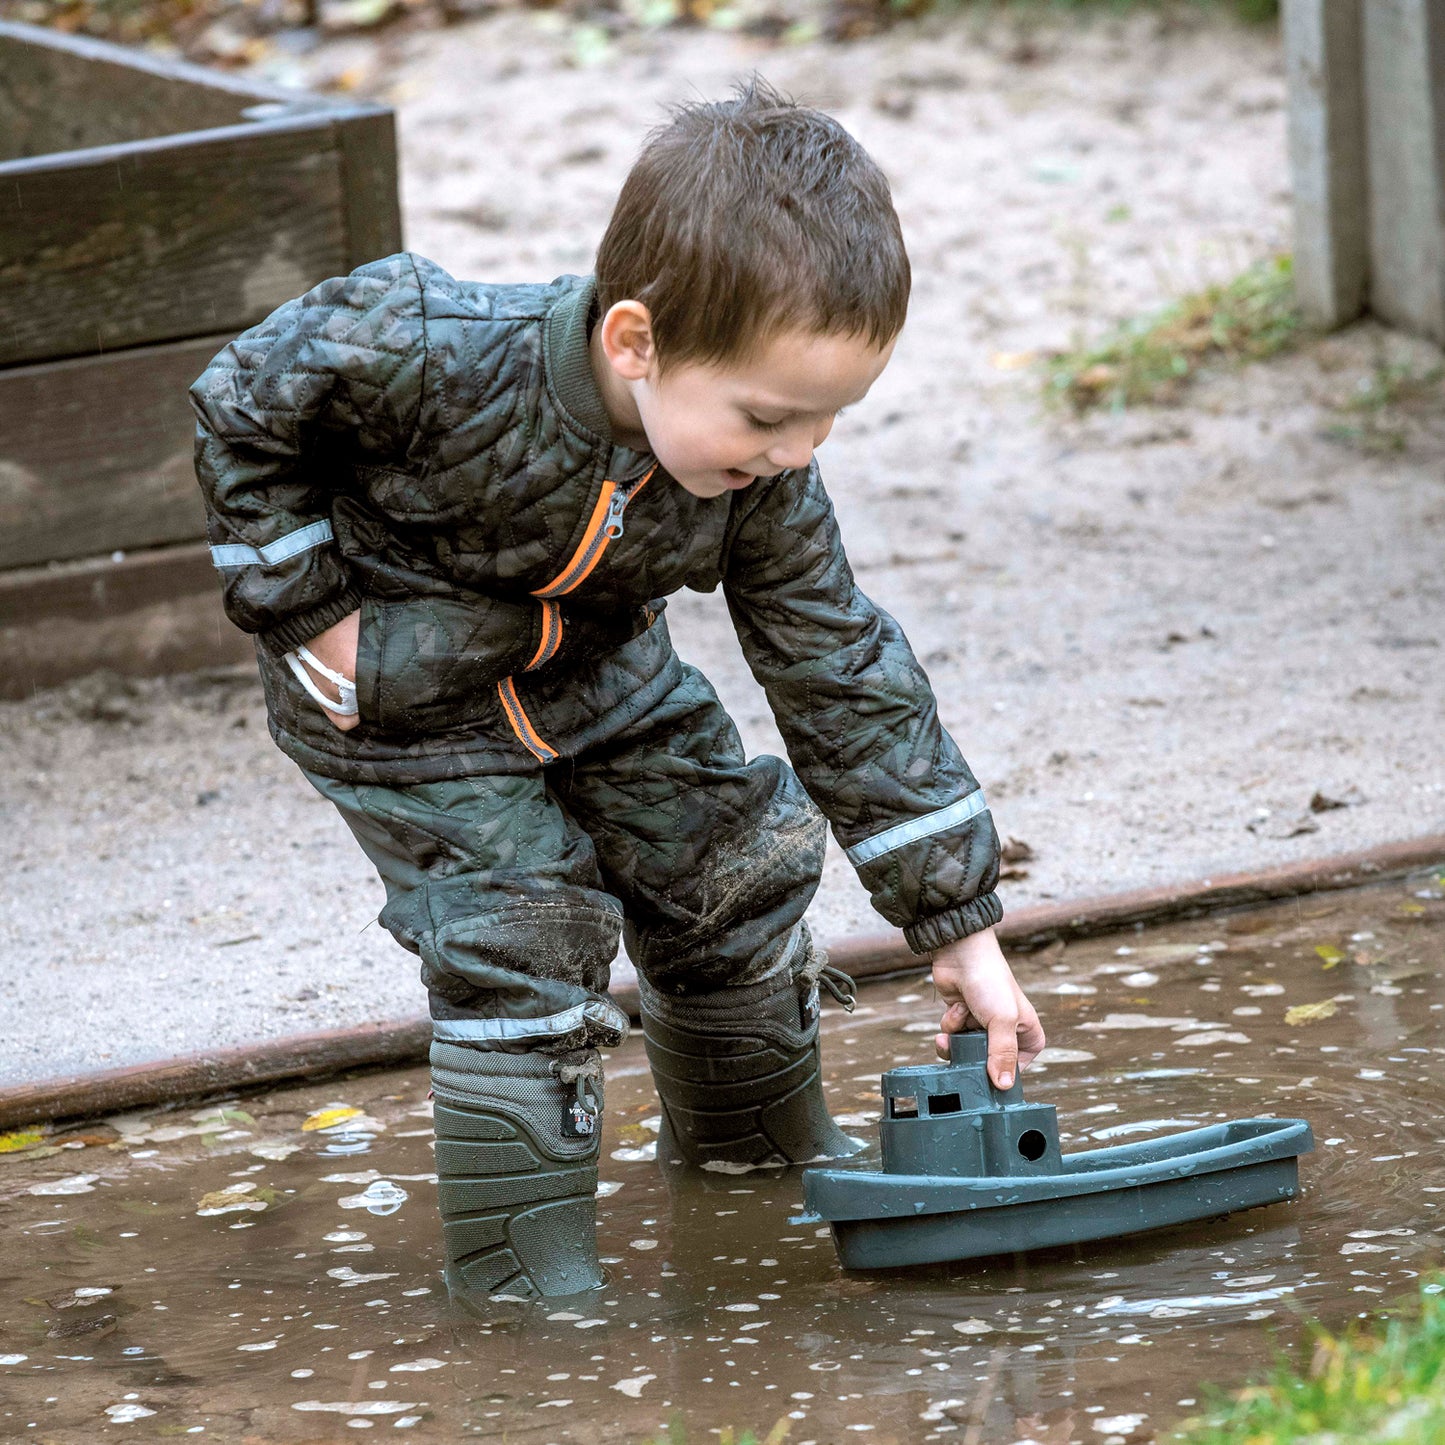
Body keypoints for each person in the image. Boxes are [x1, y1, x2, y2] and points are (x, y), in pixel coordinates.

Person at [189, 77, 1045, 1305]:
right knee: (520, 924)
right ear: (635, 341)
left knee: (727, 859)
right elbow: (240, 402)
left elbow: (836, 662)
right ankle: (524, 1278)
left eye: (828, 420)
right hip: (402, 705)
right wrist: (306, 611)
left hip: (601, 679)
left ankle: (750, 1165)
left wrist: (959, 927)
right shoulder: (432, 346)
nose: (795, 453)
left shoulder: (759, 479)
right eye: (767, 415)